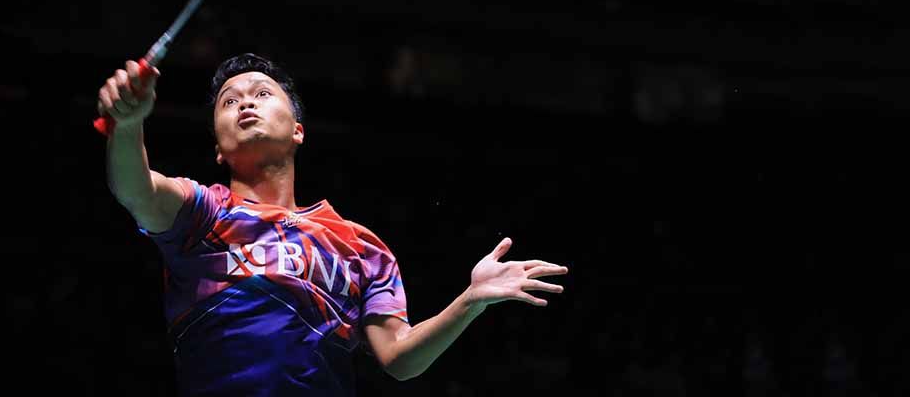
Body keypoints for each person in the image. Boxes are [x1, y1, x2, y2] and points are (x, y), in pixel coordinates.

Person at [96, 52, 568, 396]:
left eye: (262, 94)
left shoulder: (359, 246)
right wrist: (129, 124)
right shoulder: (202, 213)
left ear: (298, 130)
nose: (245, 104)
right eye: (228, 101)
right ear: (218, 149)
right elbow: (135, 188)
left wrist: (468, 303)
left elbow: (400, 359)